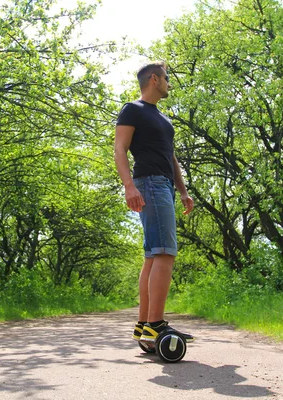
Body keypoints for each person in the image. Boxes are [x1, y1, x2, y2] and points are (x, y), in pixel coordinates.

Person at [114, 62, 195, 344]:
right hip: (149, 183)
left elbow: (170, 157)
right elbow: (120, 149)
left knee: (152, 255)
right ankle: (156, 325)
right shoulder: (132, 109)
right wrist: (129, 186)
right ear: (154, 79)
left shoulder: (164, 119)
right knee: (164, 253)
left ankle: (145, 325)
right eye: (166, 79)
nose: (169, 84)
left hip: (165, 186)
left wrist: (183, 191)